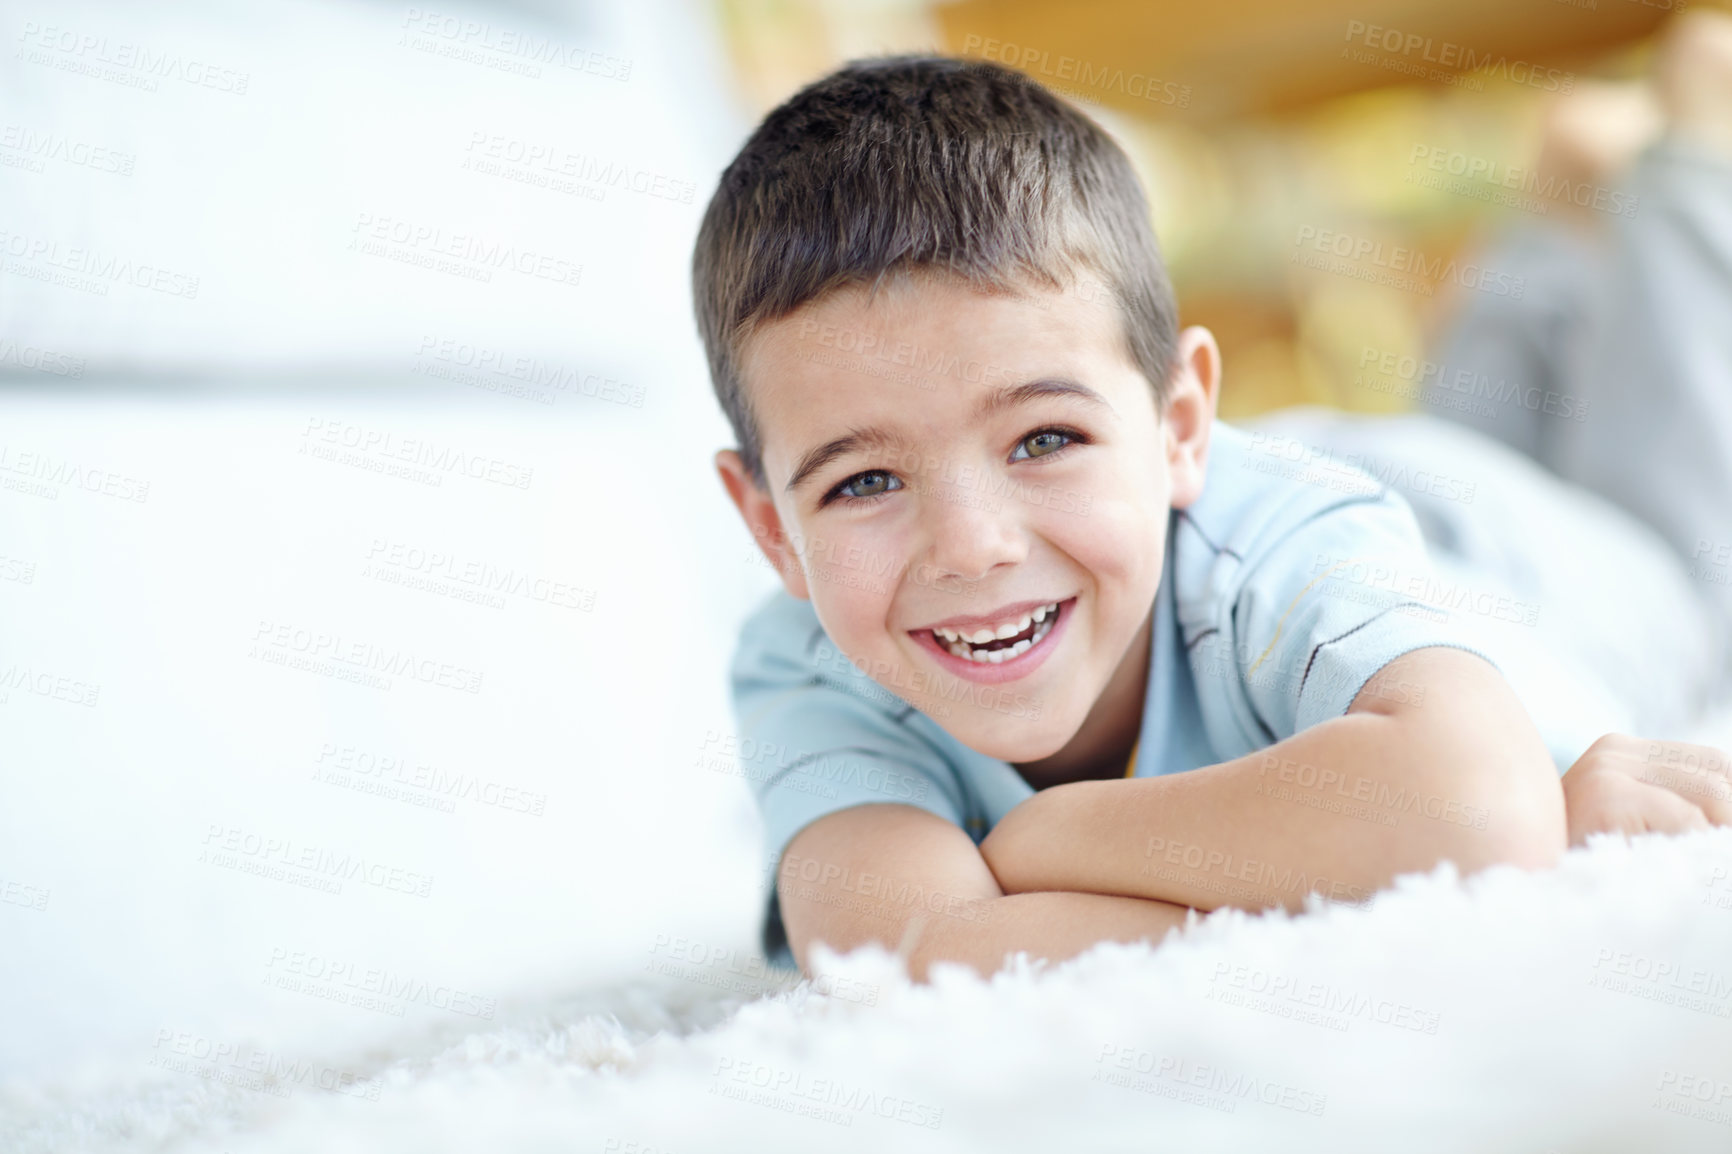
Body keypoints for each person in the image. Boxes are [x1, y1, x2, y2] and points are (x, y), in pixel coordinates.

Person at [692, 53, 1731, 982]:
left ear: (1179, 422)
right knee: (1499, 426)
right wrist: (1336, 849)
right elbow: (908, 946)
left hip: (1508, 550)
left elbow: (1470, 805)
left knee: (1686, 552)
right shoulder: (805, 662)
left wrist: (1038, 836)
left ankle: (1685, 162)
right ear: (771, 527)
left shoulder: (1278, 551)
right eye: (862, 482)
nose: (970, 544)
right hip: (1365, 498)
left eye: (1043, 438)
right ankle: (1551, 230)